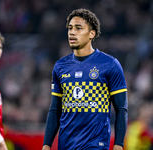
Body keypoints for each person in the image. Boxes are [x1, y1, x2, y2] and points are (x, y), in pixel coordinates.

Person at [42, 8, 128, 150]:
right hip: (66, 145)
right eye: (70, 28)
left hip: (96, 145)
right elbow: (55, 110)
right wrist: (46, 145)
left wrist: (118, 145)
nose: (72, 32)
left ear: (92, 34)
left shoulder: (110, 64)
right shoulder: (60, 66)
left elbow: (121, 109)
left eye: (78, 28)